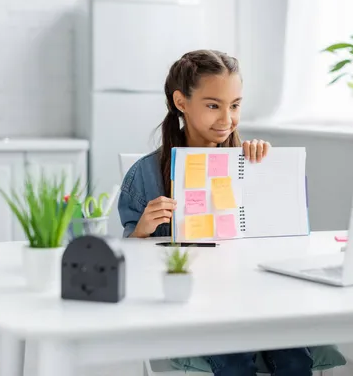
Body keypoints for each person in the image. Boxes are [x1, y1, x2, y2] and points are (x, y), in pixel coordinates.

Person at [118, 49, 313, 376]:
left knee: (295, 358)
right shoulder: (145, 175)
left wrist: (269, 172)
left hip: (255, 294)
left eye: (235, 105)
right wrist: (140, 232)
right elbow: (131, 264)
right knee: (234, 361)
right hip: (197, 300)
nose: (227, 119)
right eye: (213, 105)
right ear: (181, 102)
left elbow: (284, 237)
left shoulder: (249, 163)